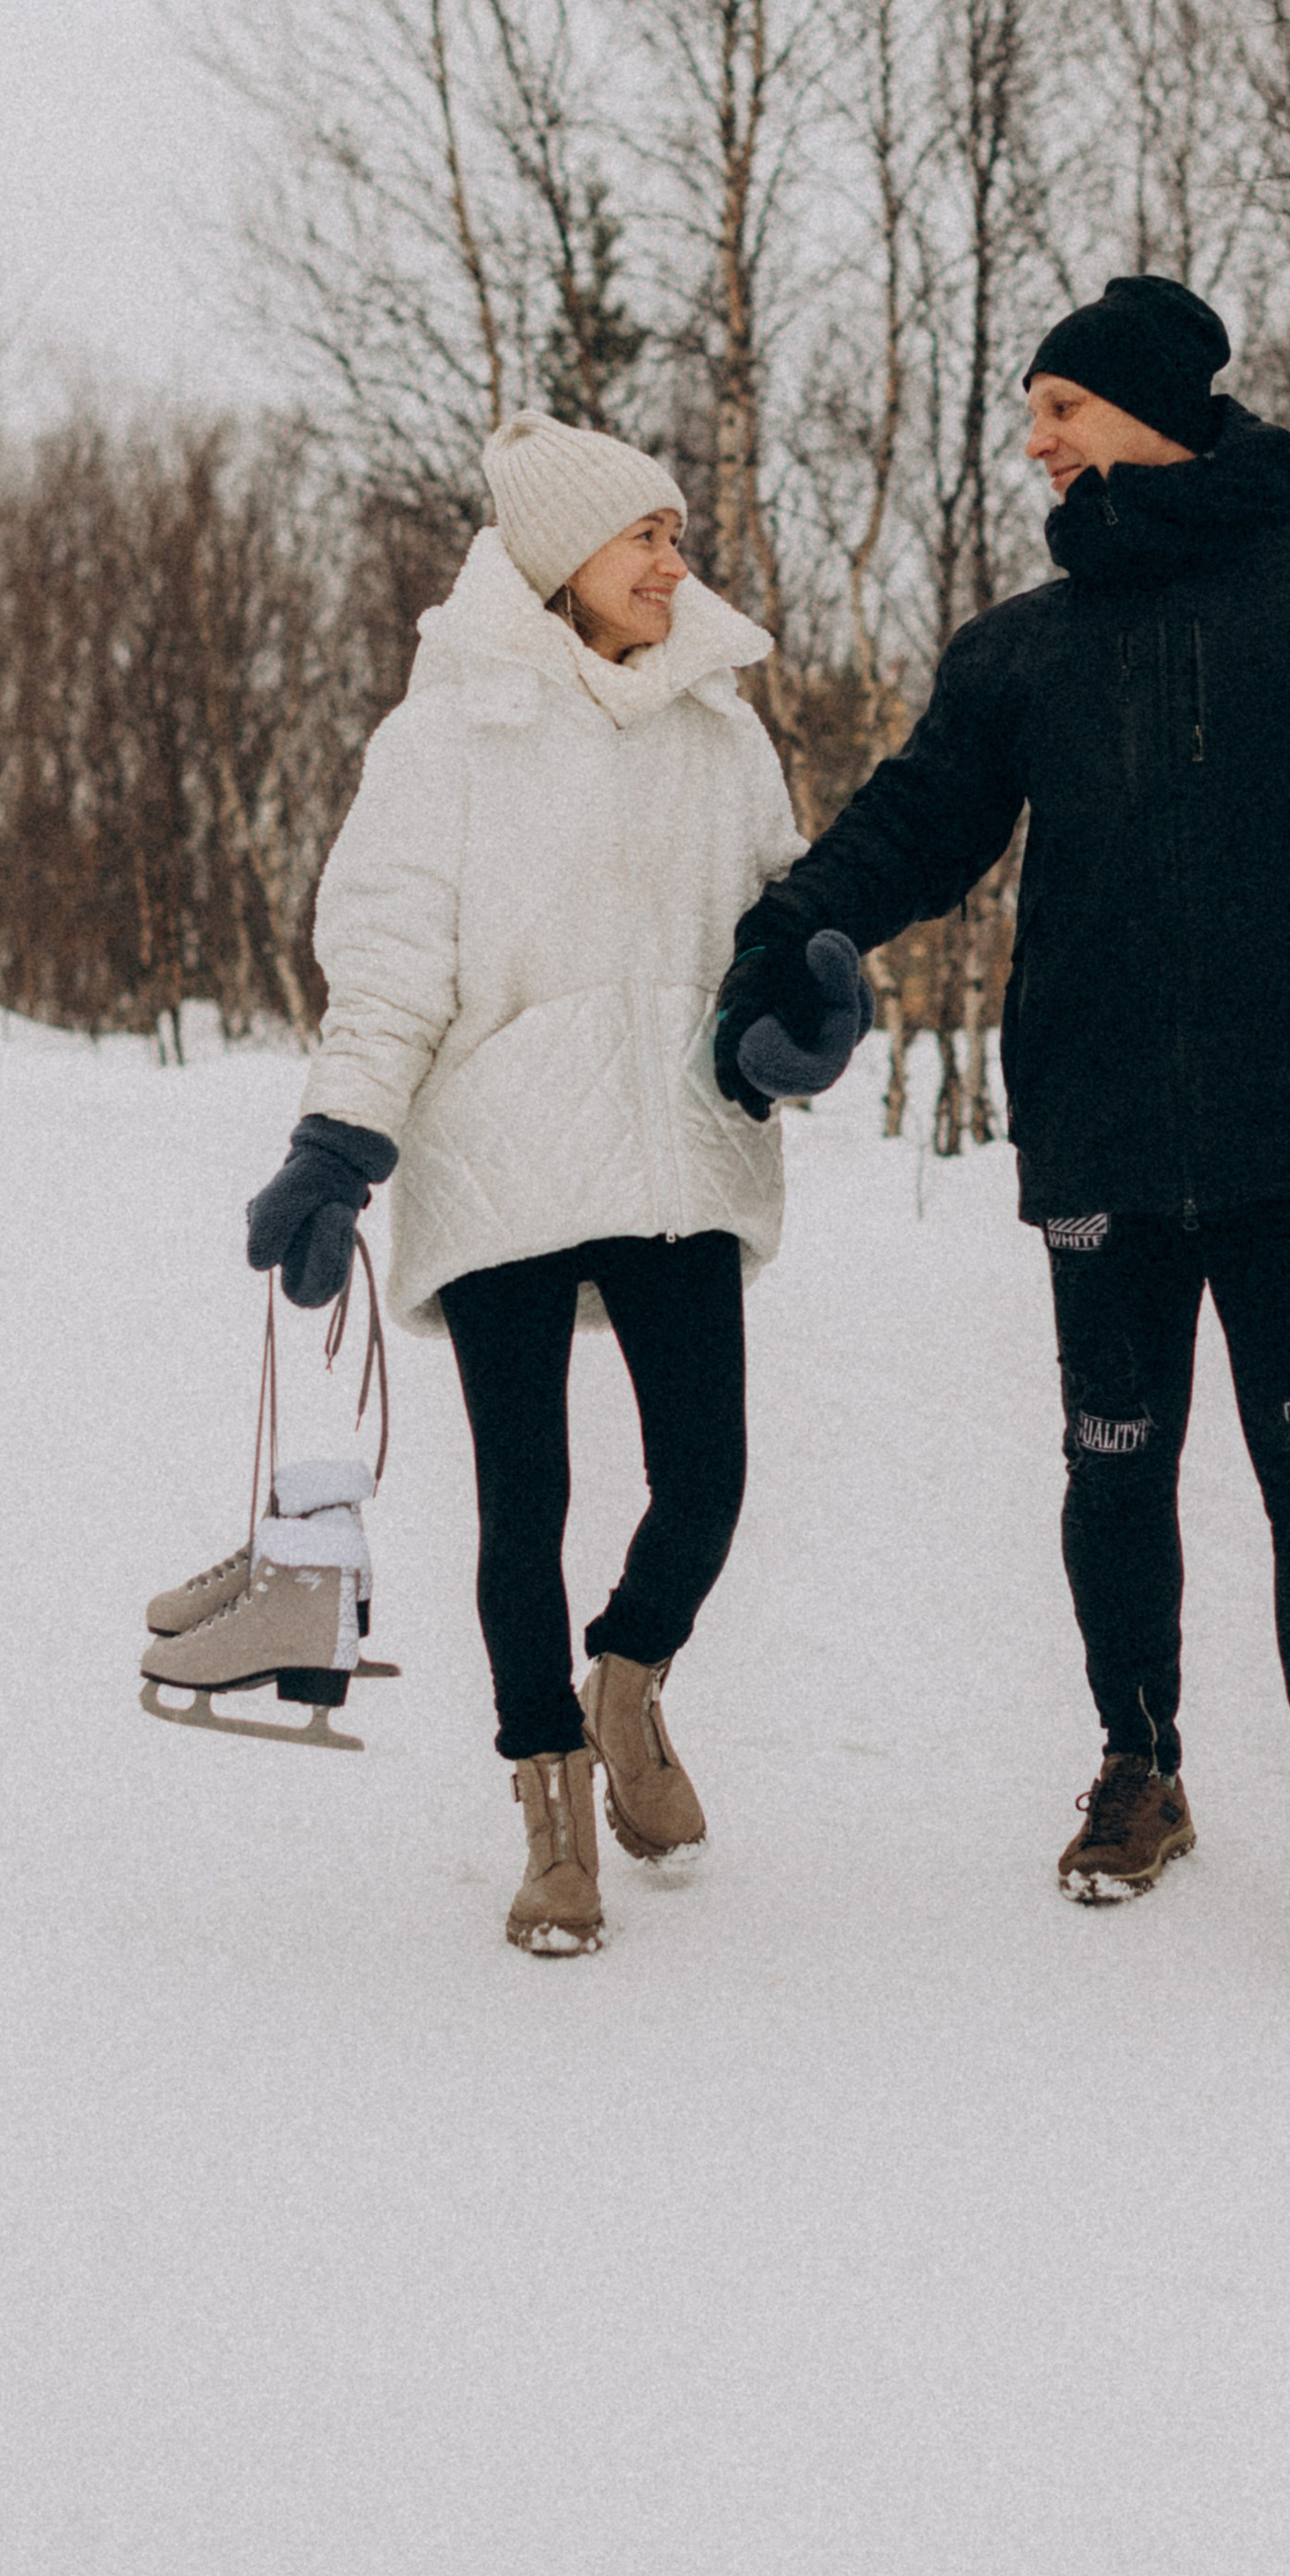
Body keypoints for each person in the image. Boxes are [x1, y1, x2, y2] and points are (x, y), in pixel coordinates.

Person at [712, 275, 1290, 1948]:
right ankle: (1140, 1768)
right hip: (1103, 1125)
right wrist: (786, 933)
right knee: (1112, 1463)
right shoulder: (1024, 649)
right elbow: (914, 828)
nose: (1037, 443)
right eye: (1035, 416)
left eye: (1060, 408)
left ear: (1145, 412)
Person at [241, 410, 849, 1957]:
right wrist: (338, 1140)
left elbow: (778, 918)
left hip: (681, 1142)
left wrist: (800, 1016)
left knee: (705, 1481)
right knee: (528, 1504)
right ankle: (551, 1808)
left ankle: (626, 1684)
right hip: (502, 1147)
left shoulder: (719, 725)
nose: (673, 560)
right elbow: (389, 962)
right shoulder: (444, 737)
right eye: (644, 534)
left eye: (674, 533)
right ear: (559, 556)